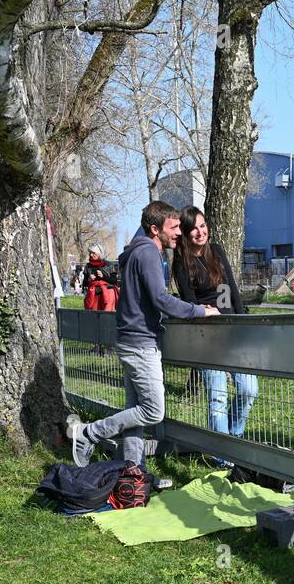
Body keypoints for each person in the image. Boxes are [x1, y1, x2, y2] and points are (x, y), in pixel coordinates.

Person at [67, 200, 219, 467]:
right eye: (173, 228)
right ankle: (89, 433)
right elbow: (161, 300)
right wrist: (199, 311)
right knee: (152, 411)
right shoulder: (148, 252)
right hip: (140, 344)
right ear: (154, 229)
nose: (179, 233)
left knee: (134, 415)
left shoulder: (137, 252)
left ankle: (134, 475)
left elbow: (149, 297)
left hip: (130, 340)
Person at [173, 207, 258, 450]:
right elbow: (190, 302)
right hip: (207, 337)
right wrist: (205, 309)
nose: (200, 232)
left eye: (202, 226)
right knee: (217, 397)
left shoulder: (216, 251)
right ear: (186, 235)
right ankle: (224, 454)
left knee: (248, 389)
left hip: (233, 331)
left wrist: (242, 321)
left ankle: (234, 437)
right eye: (193, 229)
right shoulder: (182, 263)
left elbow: (229, 289)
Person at [81, 243, 119, 311]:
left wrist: (103, 276)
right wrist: (89, 280)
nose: (90, 255)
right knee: (95, 317)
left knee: (107, 317)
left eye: (93, 253)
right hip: (94, 296)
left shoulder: (109, 265)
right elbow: (84, 284)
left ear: (99, 253)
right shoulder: (88, 266)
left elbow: (114, 281)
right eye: (90, 253)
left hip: (108, 294)